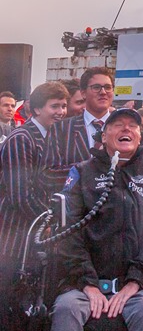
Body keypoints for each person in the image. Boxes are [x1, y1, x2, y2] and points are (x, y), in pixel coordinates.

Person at [50, 108, 143, 331]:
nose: (126, 128)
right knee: (66, 309)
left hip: (140, 287)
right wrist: (88, 284)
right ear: (103, 136)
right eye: (118, 124)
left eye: (132, 125)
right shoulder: (81, 172)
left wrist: (135, 282)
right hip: (83, 285)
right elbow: (68, 233)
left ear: (140, 135)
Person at [0, 82, 68, 328]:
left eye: (63, 106)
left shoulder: (49, 135)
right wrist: (48, 221)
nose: (61, 111)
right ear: (36, 109)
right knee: (9, 301)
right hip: (13, 238)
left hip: (32, 235)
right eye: (55, 106)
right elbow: (20, 194)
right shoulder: (22, 138)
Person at [41, 67, 115, 199]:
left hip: (116, 210)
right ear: (83, 93)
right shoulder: (61, 128)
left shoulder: (126, 128)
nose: (103, 92)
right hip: (76, 210)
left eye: (108, 87)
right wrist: (90, 168)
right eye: (96, 87)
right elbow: (47, 175)